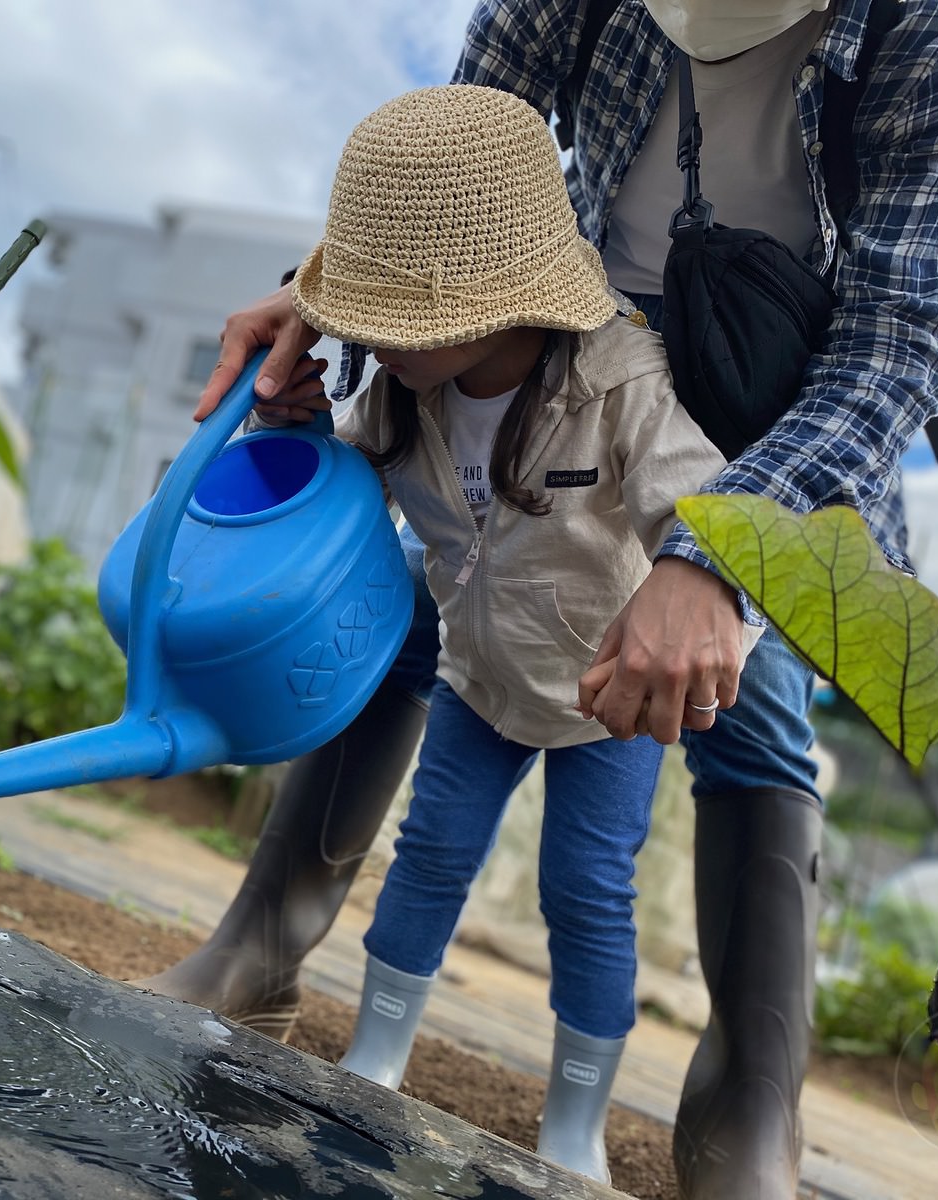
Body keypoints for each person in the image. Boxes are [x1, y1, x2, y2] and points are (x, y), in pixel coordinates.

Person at [136, 2, 938, 1196]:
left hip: (778, 388)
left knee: (749, 705)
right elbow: (454, 153)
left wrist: (712, 563)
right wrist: (334, 294)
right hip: (538, 322)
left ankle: (748, 1114)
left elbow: (897, 341)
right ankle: (263, 945)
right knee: (409, 589)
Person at [267, 83, 754, 1184]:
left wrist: (694, 590)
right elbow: (343, 499)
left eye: (403, 322)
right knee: (431, 852)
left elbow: (710, 515)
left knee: (584, 892)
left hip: (604, 700)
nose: (375, 341)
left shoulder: (621, 379)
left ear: (501, 302)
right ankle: (376, 1053)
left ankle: (574, 1123)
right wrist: (283, 429)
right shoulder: (399, 395)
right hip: (479, 679)